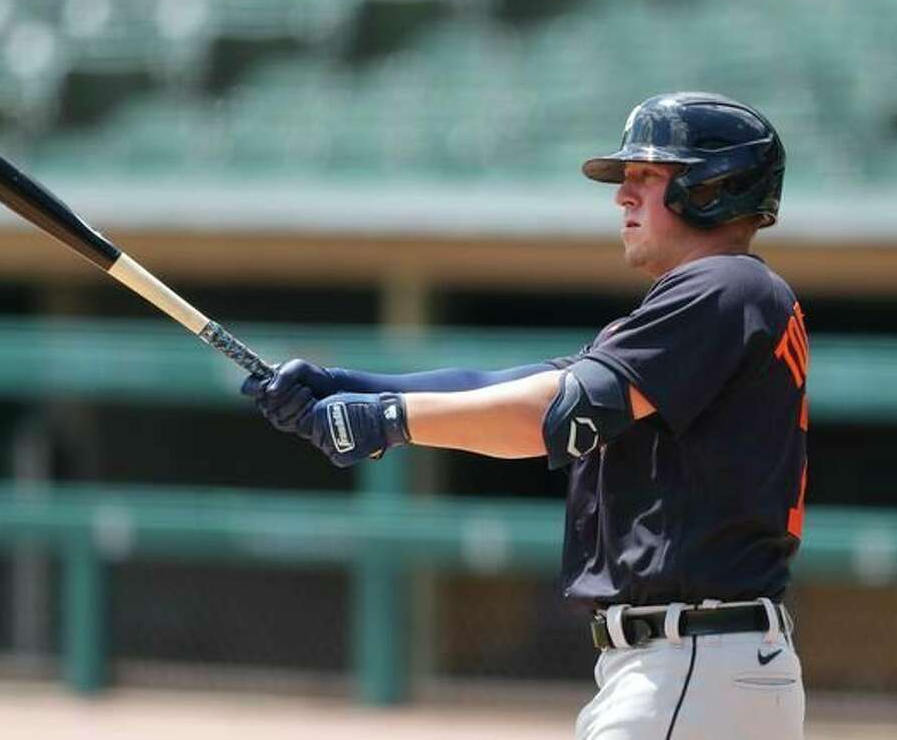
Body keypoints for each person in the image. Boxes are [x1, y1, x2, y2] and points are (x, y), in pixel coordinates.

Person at [243, 92, 808, 740]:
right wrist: (355, 385)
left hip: (692, 666)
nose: (623, 195)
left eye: (648, 176)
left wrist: (387, 417)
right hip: (703, 667)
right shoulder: (723, 297)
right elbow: (527, 385)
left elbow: (558, 414)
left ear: (717, 185)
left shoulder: (723, 286)